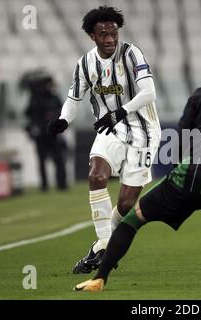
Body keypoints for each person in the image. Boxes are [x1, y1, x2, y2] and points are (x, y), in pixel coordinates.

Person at [74, 45, 201, 292]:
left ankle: (99, 278)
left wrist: (179, 170)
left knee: (132, 220)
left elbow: (182, 137)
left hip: (186, 179)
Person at [47, 6, 161, 273]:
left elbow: (149, 93)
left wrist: (119, 112)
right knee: (96, 175)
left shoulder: (131, 54)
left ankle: (98, 250)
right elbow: (74, 99)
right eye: (103, 34)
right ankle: (105, 243)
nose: (110, 39)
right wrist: (64, 119)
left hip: (143, 132)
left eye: (113, 33)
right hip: (110, 130)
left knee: (126, 203)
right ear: (92, 36)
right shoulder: (85, 64)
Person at [23, 73, 68, 192]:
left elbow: (62, 112)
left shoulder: (46, 98)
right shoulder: (43, 98)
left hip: (50, 133)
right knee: (50, 160)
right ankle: (54, 185)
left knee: (54, 159)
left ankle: (54, 185)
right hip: (45, 133)